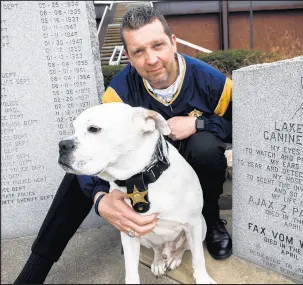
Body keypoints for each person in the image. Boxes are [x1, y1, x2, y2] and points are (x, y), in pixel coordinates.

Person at [14, 5, 232, 284]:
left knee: (205, 147)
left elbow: (242, 124)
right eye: (139, 51)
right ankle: (34, 271)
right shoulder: (119, 92)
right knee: (80, 162)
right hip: (141, 164)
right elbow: (99, 144)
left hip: (189, 156)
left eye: (158, 45)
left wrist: (199, 124)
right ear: (128, 57)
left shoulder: (210, 81)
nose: (151, 59)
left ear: (173, 43)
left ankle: (210, 219)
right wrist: (99, 199)